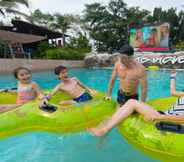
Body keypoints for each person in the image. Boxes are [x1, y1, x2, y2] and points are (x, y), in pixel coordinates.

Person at [89, 70, 184, 137]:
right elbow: (173, 92)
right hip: (166, 115)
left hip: (172, 121)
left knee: (132, 103)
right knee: (131, 102)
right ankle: (107, 125)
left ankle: (104, 130)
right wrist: (173, 77)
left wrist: (159, 117)